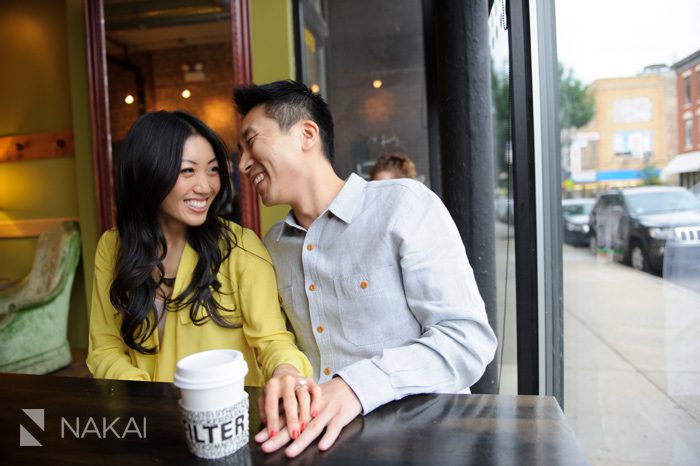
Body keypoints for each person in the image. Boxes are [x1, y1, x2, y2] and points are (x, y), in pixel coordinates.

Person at [234, 80, 497, 458]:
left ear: (307, 134)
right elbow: (280, 342)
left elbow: (467, 341)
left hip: (425, 444)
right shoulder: (271, 246)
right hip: (320, 446)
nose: (242, 164)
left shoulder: (404, 205)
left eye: (251, 141)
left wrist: (355, 386)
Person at [87, 110, 320, 436]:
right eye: (188, 171)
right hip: (144, 427)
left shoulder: (240, 247)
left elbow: (272, 340)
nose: (206, 186)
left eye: (213, 171)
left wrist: (285, 370)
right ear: (149, 173)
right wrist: (150, 401)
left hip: (226, 427)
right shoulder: (112, 247)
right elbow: (105, 349)